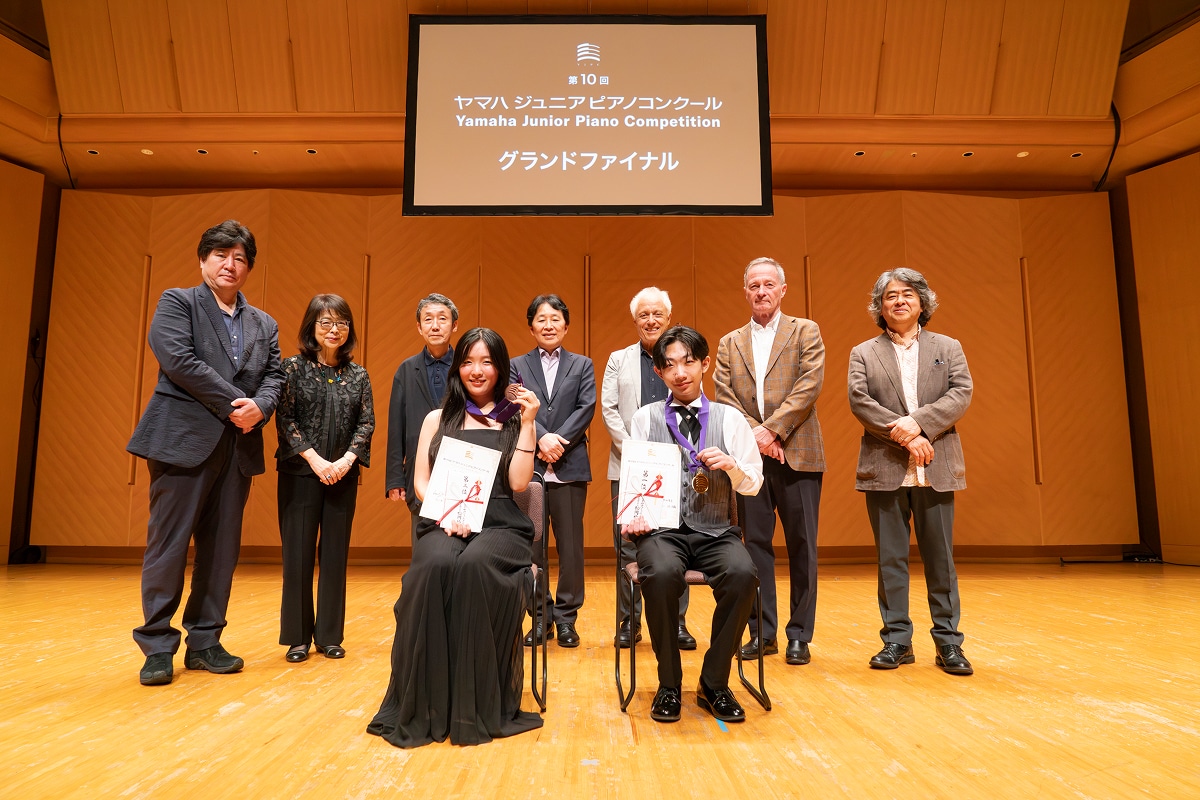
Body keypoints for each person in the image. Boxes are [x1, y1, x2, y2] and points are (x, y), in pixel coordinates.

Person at [368, 327, 544, 747]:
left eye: (486, 362)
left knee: (475, 566)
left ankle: (477, 706)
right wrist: (451, 513)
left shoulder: (516, 418)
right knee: (434, 566)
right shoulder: (438, 417)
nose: (476, 370)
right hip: (444, 519)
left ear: (501, 368)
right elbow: (422, 483)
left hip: (501, 524)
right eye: (467, 361)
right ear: (456, 367)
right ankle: (429, 705)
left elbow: (520, 484)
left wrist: (530, 424)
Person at [128, 220, 284, 686]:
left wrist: (260, 406)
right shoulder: (178, 302)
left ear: (249, 268)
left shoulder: (264, 323)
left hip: (237, 447)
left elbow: (275, 375)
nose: (229, 264)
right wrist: (236, 403)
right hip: (182, 442)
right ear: (203, 261)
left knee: (221, 552)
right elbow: (177, 360)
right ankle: (157, 644)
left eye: (239, 258)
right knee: (169, 546)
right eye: (220, 255)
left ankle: (205, 642)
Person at [622, 325, 762, 724]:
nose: (680, 372)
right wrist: (633, 514)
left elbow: (754, 484)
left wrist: (733, 467)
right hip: (662, 531)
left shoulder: (730, 419)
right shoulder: (645, 418)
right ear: (659, 374)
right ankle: (669, 683)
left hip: (715, 529)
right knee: (661, 573)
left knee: (742, 573)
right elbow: (636, 479)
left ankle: (714, 682)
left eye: (687, 362)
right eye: (669, 366)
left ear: (704, 364)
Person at [847, 268, 975, 676]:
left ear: (922, 302)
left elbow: (961, 393)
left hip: (936, 465)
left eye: (907, 295)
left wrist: (919, 425)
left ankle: (949, 643)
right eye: (889, 297)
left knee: (941, 559)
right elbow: (860, 401)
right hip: (885, 467)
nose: (898, 301)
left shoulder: (948, 346)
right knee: (891, 560)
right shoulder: (863, 352)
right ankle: (897, 641)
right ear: (879, 307)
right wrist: (906, 438)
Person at [713, 257, 825, 667]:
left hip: (798, 452)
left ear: (782, 290)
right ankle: (762, 632)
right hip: (750, 460)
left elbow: (809, 385)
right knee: (755, 546)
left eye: (768, 284)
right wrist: (757, 438)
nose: (761, 291)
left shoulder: (805, 331)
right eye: (754, 285)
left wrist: (773, 431)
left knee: (802, 546)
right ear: (746, 292)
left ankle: (799, 634)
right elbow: (724, 396)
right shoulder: (729, 342)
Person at [275, 294, 375, 663]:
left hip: (343, 476)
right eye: (326, 322)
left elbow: (366, 423)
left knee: (335, 556)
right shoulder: (292, 369)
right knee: (298, 555)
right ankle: (298, 637)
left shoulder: (358, 374)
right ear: (312, 327)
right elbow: (285, 420)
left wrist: (347, 460)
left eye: (342, 323)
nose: (335, 330)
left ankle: (330, 635)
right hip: (301, 473)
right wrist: (316, 460)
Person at [601, 287, 693, 650]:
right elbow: (609, 410)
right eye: (644, 315)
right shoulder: (618, 359)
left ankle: (678, 622)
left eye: (657, 314)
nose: (651, 320)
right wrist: (638, 453)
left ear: (668, 318)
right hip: (627, 465)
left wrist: (673, 456)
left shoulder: (680, 358)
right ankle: (629, 621)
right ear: (635, 320)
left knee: (678, 543)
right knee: (627, 547)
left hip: (680, 466)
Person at [511, 295, 596, 648]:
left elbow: (587, 406)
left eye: (555, 319)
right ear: (531, 326)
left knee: (571, 546)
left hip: (569, 463)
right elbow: (514, 404)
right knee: (532, 545)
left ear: (566, 325)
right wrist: (543, 440)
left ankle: (566, 619)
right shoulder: (516, 364)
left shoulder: (582, 364)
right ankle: (540, 617)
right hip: (529, 463)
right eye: (541, 319)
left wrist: (557, 442)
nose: (548, 325)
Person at [386, 294, 459, 546]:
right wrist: (395, 478)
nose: (435, 326)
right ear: (419, 327)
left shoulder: (467, 367)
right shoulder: (406, 370)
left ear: (455, 325)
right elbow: (396, 427)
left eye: (442, 319)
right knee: (423, 541)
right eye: (428, 319)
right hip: (420, 470)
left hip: (460, 467)